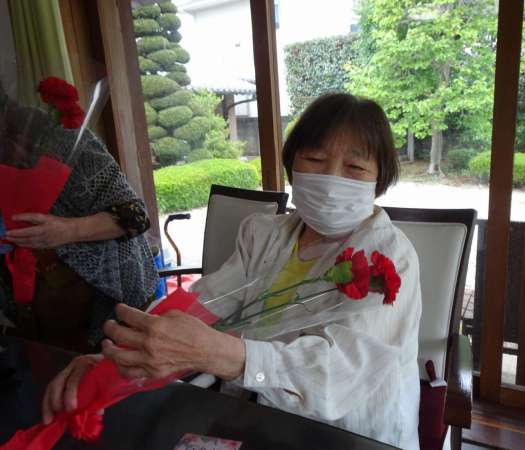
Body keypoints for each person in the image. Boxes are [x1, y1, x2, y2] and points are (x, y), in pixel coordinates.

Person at [42, 93, 422, 449]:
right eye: (315, 159)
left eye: (354, 167)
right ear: (292, 163)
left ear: (379, 179)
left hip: (350, 435)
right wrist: (124, 356)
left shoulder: (388, 259)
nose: (331, 179)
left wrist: (219, 353)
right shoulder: (265, 233)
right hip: (256, 417)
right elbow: (207, 302)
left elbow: (337, 376)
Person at [0, 85, 158, 353]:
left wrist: (69, 230)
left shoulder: (65, 140)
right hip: (36, 311)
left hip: (107, 299)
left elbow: (136, 216)